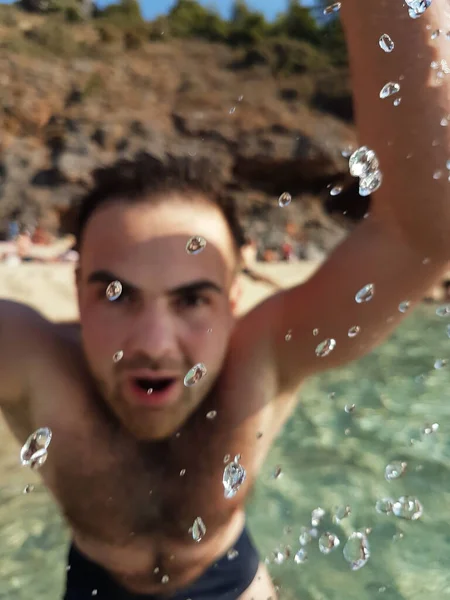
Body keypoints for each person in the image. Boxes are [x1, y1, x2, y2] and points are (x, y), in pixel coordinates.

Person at [1, 2, 449, 599]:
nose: (155, 346)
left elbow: (423, 232)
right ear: (76, 293)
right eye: (115, 294)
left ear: (234, 300)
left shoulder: (263, 356)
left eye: (192, 300)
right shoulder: (32, 358)